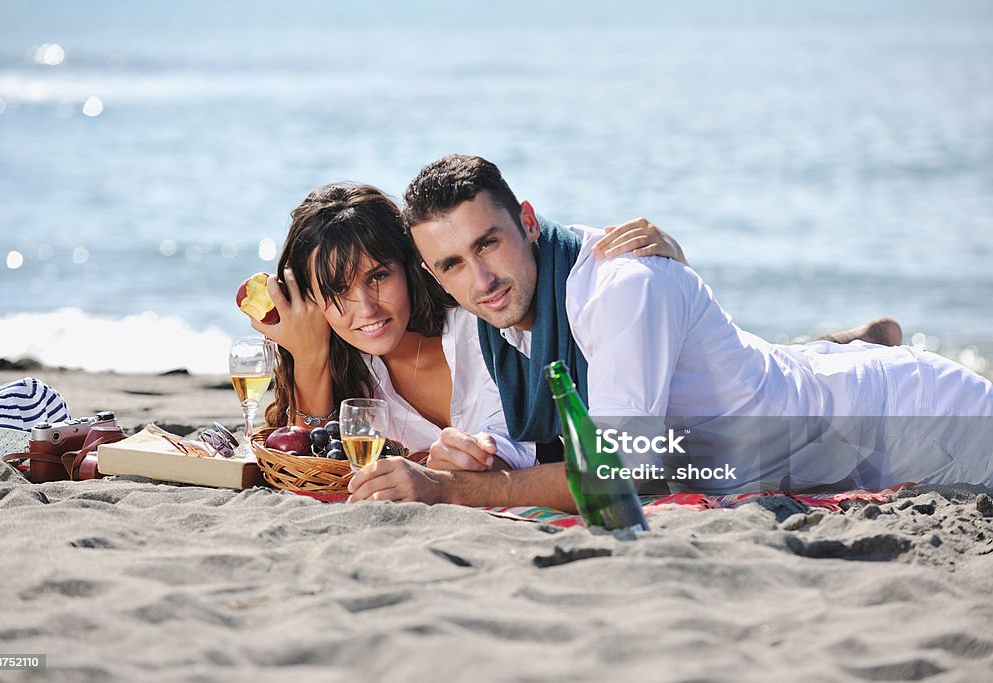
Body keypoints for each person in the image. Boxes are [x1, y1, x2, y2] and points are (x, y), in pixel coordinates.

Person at [346, 154, 993, 505]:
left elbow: (623, 473)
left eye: (489, 243)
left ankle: (865, 346)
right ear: (432, 271)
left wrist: (456, 489)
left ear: (529, 221)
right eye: (452, 263)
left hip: (919, 422)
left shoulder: (622, 287)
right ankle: (858, 340)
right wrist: (483, 454)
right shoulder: (498, 323)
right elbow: (550, 442)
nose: (480, 278)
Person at [249, 183, 684, 472]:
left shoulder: (484, 322)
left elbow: (544, 260)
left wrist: (659, 265)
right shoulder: (353, 370)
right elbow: (307, 459)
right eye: (337, 291)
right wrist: (310, 356)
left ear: (413, 268)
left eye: (378, 276)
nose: (364, 307)